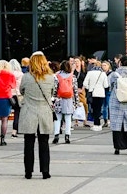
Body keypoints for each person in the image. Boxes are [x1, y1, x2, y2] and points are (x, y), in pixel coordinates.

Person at [19, 51, 56, 180]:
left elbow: (21, 90)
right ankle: (45, 171)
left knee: (28, 143)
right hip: (44, 111)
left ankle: (28, 171)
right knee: (44, 143)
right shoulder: (51, 78)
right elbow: (52, 93)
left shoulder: (26, 77)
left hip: (29, 111)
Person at [108, 55, 127, 155]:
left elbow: (109, 85)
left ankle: (118, 147)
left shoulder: (114, 74)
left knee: (117, 124)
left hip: (117, 100)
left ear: (120, 62)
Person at [52, 60, 79, 144]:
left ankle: (56, 135)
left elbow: (54, 89)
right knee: (68, 118)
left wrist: (53, 98)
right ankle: (67, 135)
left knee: (57, 118)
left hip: (59, 99)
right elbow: (75, 90)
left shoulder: (56, 76)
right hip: (69, 99)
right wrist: (76, 102)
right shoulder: (73, 76)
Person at [0, 60, 16, 145]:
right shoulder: (10, 75)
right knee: (4, 120)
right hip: (6, 98)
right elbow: (13, 86)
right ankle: (2, 139)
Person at [82, 57, 109, 131]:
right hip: (101, 94)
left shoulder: (90, 73)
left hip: (92, 93)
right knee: (99, 109)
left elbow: (85, 83)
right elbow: (106, 85)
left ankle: (95, 124)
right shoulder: (103, 74)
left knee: (93, 109)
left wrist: (89, 88)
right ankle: (98, 124)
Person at [9, 59, 24, 138]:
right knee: (17, 113)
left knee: (3, 116)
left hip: (8, 95)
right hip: (18, 95)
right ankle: (14, 131)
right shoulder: (21, 74)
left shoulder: (8, 74)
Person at [100, 60, 112, 128]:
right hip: (102, 90)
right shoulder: (101, 73)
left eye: (105, 65)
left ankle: (110, 119)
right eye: (102, 65)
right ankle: (105, 120)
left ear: (108, 66)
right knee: (104, 106)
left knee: (109, 105)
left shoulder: (112, 73)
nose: (103, 67)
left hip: (109, 90)